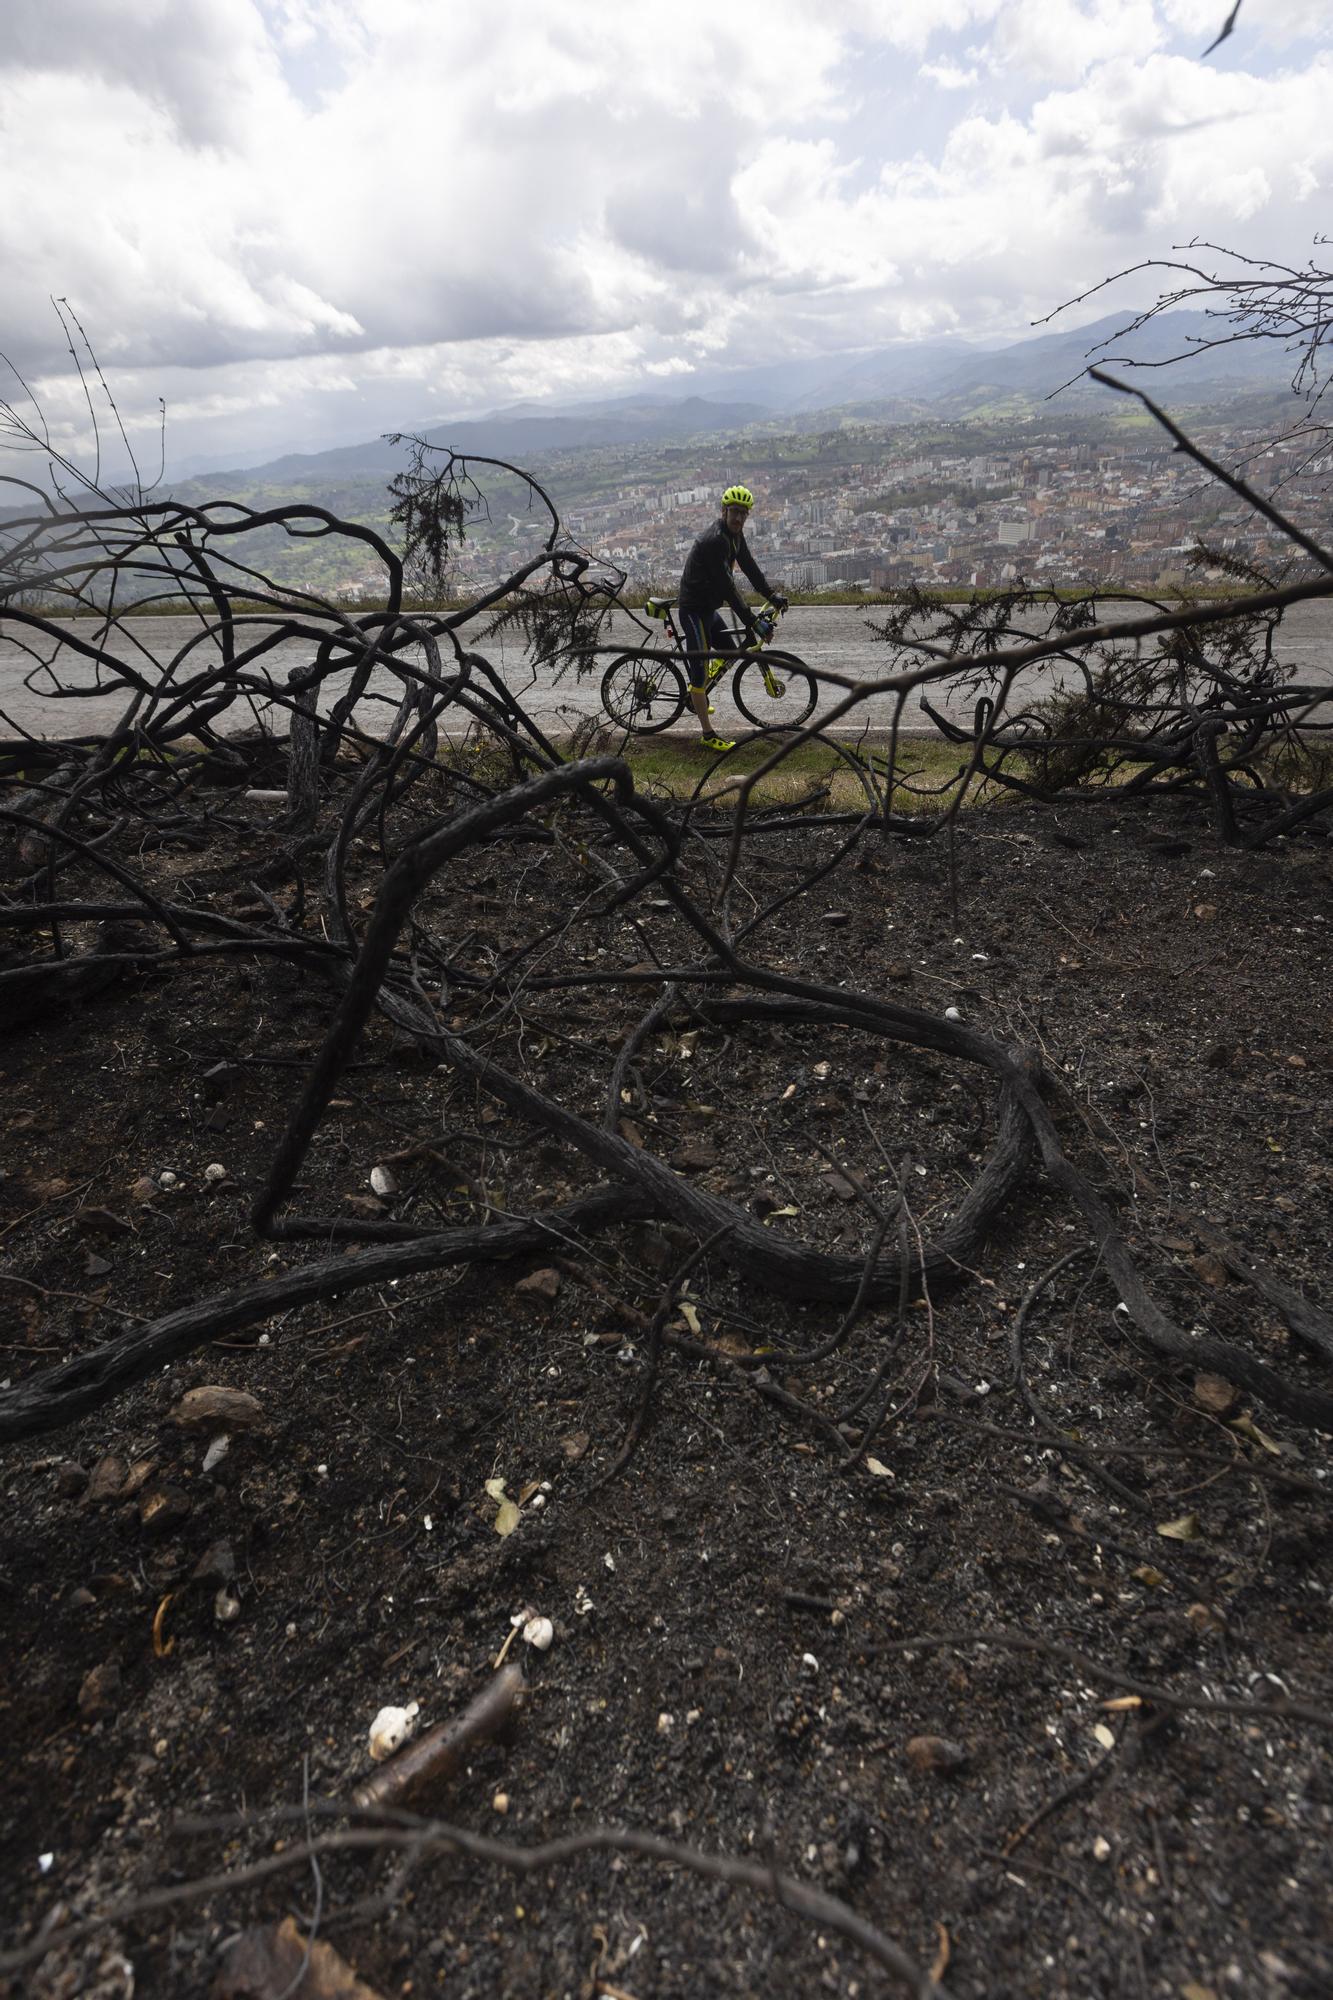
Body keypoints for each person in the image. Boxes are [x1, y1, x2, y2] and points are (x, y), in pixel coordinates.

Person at [677, 485, 788, 750]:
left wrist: (771, 595)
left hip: (708, 608)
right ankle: (706, 732)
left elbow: (750, 568)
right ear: (724, 511)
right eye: (734, 512)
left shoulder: (735, 537)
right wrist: (753, 622)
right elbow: (728, 588)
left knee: (728, 651)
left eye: (743, 514)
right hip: (693, 609)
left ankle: (698, 694)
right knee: (699, 675)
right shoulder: (716, 540)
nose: (738, 518)